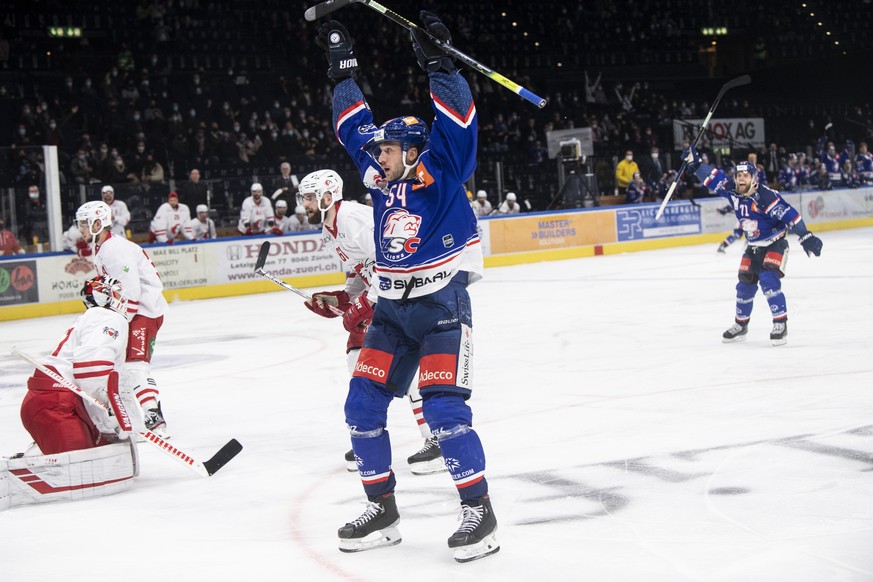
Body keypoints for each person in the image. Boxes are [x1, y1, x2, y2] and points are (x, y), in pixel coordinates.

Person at [318, 12, 498, 562]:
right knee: (361, 407)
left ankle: (479, 514)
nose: (379, 155)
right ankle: (383, 509)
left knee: (444, 414)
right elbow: (354, 127)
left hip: (443, 306)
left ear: (415, 151)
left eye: (390, 148)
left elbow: (460, 119)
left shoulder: (444, 169)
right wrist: (342, 74)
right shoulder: (379, 179)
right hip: (393, 313)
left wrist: (439, 65)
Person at [297, 169, 447, 476]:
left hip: (409, 290)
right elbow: (360, 269)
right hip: (387, 293)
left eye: (310, 197)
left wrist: (365, 303)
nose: (305, 204)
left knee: (404, 364)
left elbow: (394, 261)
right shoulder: (330, 229)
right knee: (358, 362)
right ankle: (369, 438)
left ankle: (439, 440)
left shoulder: (354, 220)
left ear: (328, 196)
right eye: (304, 198)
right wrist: (342, 298)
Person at [4, 276, 137, 506]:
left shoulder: (94, 318)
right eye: (115, 292)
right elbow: (91, 368)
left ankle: (39, 450)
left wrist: (111, 419)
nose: (122, 298)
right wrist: (109, 407)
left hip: (58, 401)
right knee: (80, 474)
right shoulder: (108, 317)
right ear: (104, 296)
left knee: (102, 454)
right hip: (56, 404)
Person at [682, 146, 823, 346]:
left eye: (745, 175)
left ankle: (780, 323)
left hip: (775, 243)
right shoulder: (732, 190)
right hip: (753, 245)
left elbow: (790, 215)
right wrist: (695, 164)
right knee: (744, 286)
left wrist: (806, 235)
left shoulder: (766, 197)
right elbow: (714, 178)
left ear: (754, 178)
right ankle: (741, 325)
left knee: (768, 280)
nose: (740, 178)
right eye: (738, 175)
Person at [76, 200, 171, 436]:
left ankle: (155, 418)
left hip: (143, 312)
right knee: (119, 366)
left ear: (98, 223)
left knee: (135, 366)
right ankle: (127, 416)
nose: (81, 229)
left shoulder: (114, 249)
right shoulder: (101, 248)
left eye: (84, 224)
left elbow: (132, 293)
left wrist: (116, 321)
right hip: (131, 313)